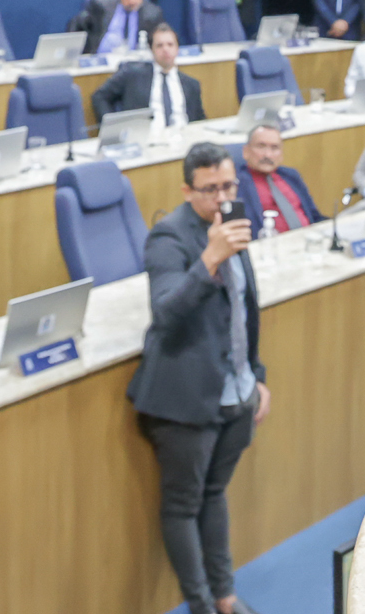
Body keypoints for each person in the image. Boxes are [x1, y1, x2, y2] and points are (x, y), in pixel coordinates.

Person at [126, 142, 270, 614]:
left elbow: (244, 310)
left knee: (215, 492)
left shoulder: (233, 225)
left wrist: (256, 375)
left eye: (229, 185)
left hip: (237, 393)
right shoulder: (168, 237)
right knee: (183, 504)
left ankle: (225, 596)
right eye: (210, 189)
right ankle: (201, 605)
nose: (222, 197)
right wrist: (210, 258)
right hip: (185, 399)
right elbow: (166, 312)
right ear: (188, 191)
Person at [91, 25, 205, 127]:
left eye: (170, 45)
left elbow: (199, 120)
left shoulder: (191, 85)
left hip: (183, 138)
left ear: (177, 49)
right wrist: (114, 127)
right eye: (159, 46)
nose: (165, 49)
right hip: (145, 138)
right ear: (151, 50)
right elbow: (100, 96)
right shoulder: (132, 75)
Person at [235, 123, 323, 237]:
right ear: (246, 151)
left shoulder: (291, 175)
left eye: (274, 148)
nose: (268, 155)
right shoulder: (236, 183)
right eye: (261, 146)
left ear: (281, 154)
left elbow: (315, 216)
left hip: (308, 239)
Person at [83, 0, 166, 56]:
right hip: (102, 59)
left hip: (135, 61)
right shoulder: (100, 8)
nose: (132, 1)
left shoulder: (152, 14)